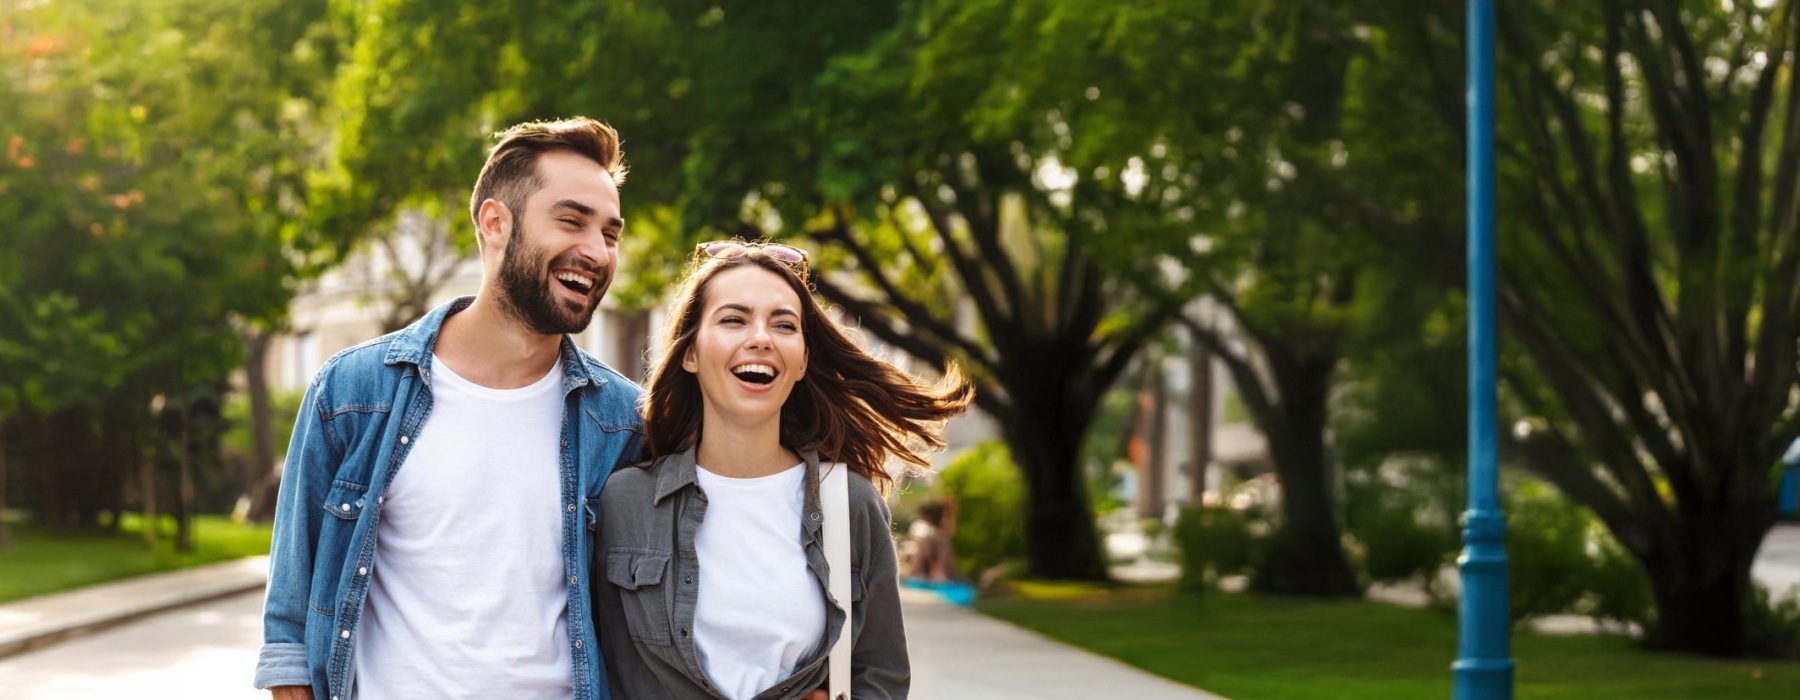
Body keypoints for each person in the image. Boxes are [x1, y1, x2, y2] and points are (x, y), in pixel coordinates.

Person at [254, 117, 644, 700]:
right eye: (571, 221)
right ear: (495, 222)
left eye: (610, 234)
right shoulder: (353, 392)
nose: (595, 252)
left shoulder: (621, 420)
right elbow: (288, 629)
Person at [595, 240, 973, 700]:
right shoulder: (624, 501)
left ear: (802, 360)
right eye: (734, 319)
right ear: (690, 353)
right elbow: (599, 672)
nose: (761, 338)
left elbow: (882, 676)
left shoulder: (847, 504)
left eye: (784, 324)